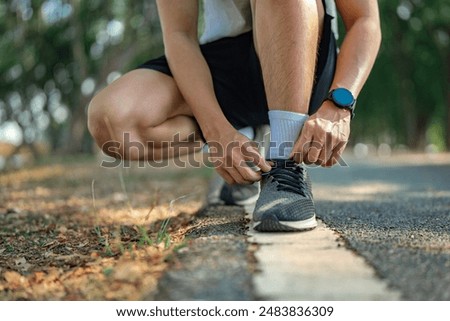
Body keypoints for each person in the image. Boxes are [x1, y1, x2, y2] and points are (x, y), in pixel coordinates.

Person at [87, 0, 381, 232]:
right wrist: (217, 132)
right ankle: (245, 139)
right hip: (225, 60)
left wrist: (340, 104)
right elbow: (179, 36)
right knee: (113, 120)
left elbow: (364, 20)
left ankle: (284, 165)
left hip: (306, 54)